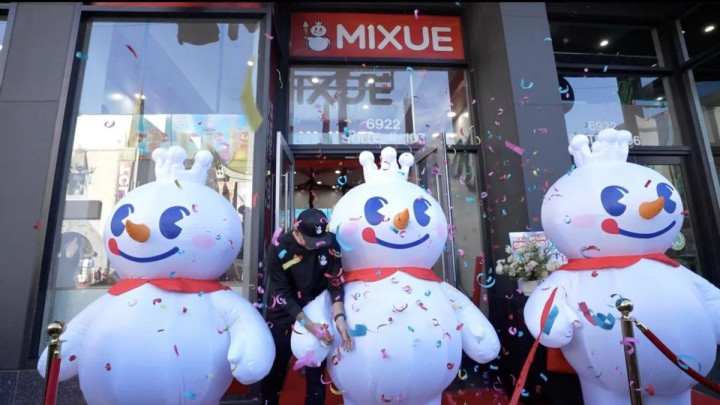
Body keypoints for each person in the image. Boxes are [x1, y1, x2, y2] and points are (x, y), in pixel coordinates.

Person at [261, 209, 353, 405]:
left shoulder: (332, 242)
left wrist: (340, 319)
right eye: (311, 241)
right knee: (276, 369)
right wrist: (310, 326)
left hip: (316, 308)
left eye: (320, 241)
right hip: (284, 312)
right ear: (297, 232)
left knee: (316, 373)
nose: (316, 246)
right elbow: (282, 294)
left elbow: (335, 284)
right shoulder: (279, 248)